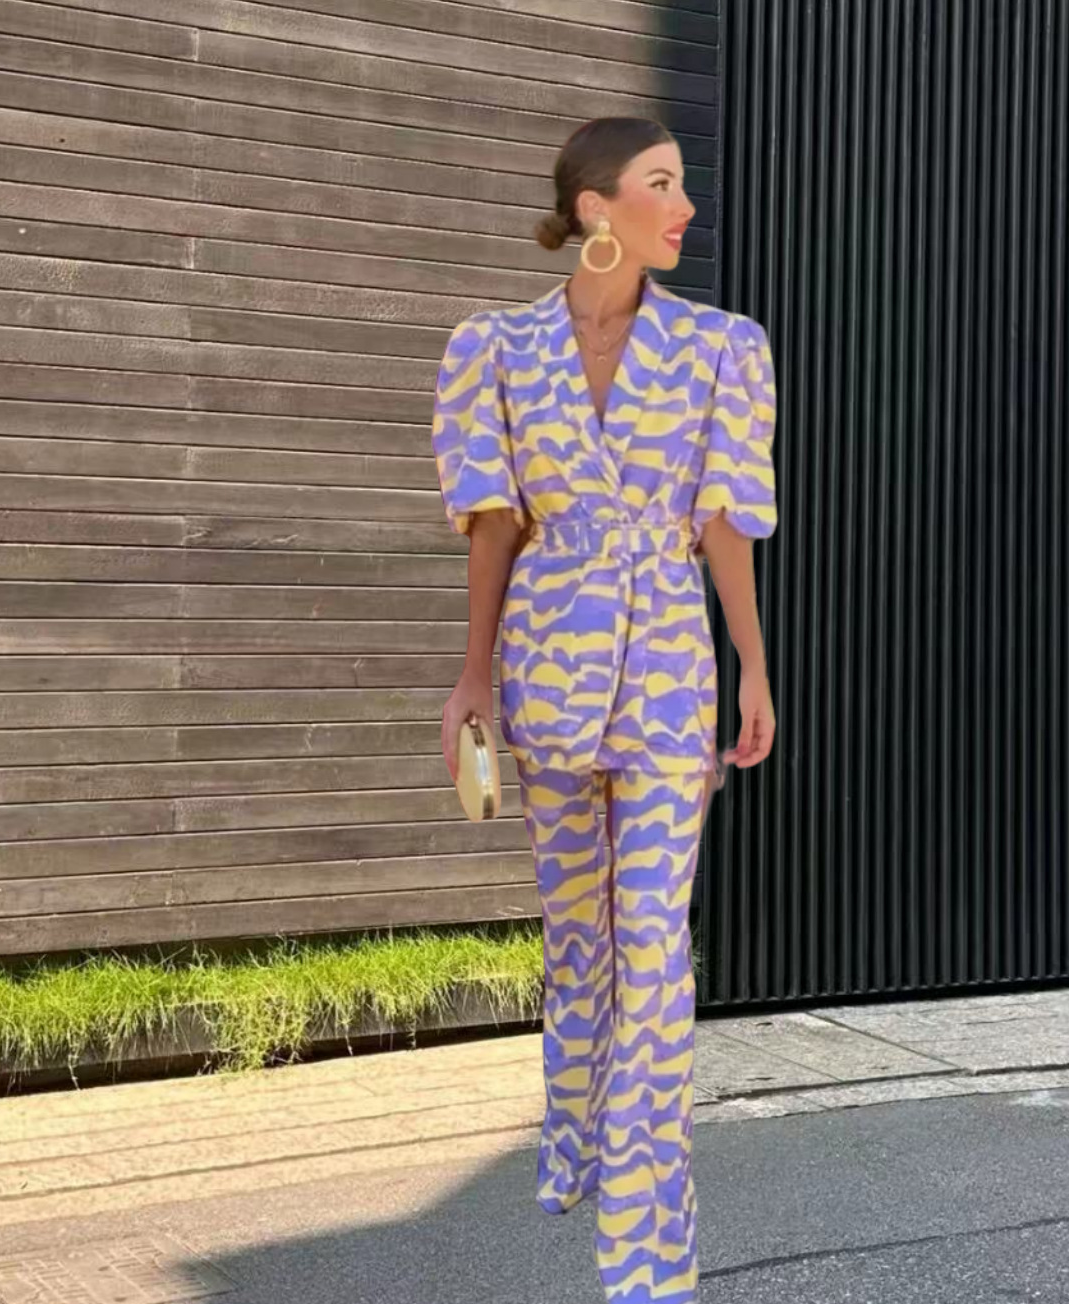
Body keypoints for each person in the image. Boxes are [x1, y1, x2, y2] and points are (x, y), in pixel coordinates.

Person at [430, 115, 778, 1304]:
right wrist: (472, 677)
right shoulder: (493, 349)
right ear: (595, 207)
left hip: (671, 666)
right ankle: (574, 1140)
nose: (684, 207)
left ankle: (647, 1248)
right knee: (576, 936)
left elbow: (725, 522)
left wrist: (751, 665)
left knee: (654, 947)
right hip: (546, 664)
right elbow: (493, 526)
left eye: (681, 185)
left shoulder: (725, 347)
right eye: (659, 184)